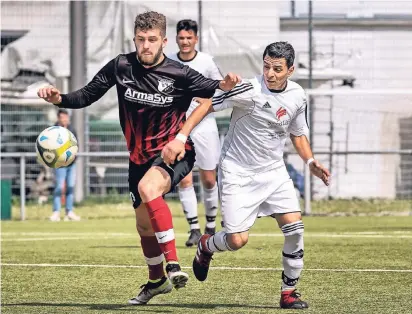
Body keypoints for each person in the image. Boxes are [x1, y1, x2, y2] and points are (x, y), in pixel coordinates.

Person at [37, 11, 240, 305]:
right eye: (141, 40)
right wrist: (59, 99)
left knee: (149, 189)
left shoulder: (178, 73)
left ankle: (172, 265)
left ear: (164, 41)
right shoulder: (121, 66)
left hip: (176, 153)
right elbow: (87, 95)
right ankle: (156, 280)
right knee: (144, 227)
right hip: (139, 159)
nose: (146, 45)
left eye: (152, 40)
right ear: (134, 39)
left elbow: (213, 90)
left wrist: (226, 84)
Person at [162, 42, 331, 309]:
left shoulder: (298, 95)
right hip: (237, 172)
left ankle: (288, 293)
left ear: (291, 70)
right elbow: (205, 106)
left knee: (295, 229)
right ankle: (206, 245)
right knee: (236, 240)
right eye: (266, 66)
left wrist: (310, 161)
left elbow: (298, 134)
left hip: (274, 173)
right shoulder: (249, 89)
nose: (270, 73)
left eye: (277, 69)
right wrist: (181, 137)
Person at [168, 19, 222, 246]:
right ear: (176, 39)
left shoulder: (207, 61)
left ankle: (210, 225)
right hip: (179, 128)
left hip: (205, 126)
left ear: (196, 39)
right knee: (184, 180)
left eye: (189, 38)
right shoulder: (168, 61)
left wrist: (209, 98)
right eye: (181, 38)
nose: (185, 42)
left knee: (209, 180)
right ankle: (193, 228)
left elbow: (221, 89)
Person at [49, 109, 81, 222]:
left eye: (66, 117)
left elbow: (76, 144)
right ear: (58, 118)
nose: (65, 119)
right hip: (59, 164)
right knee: (59, 187)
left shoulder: (72, 129)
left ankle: (69, 211)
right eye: (63, 117)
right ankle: (56, 212)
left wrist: (74, 157)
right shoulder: (53, 131)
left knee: (71, 186)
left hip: (71, 163)